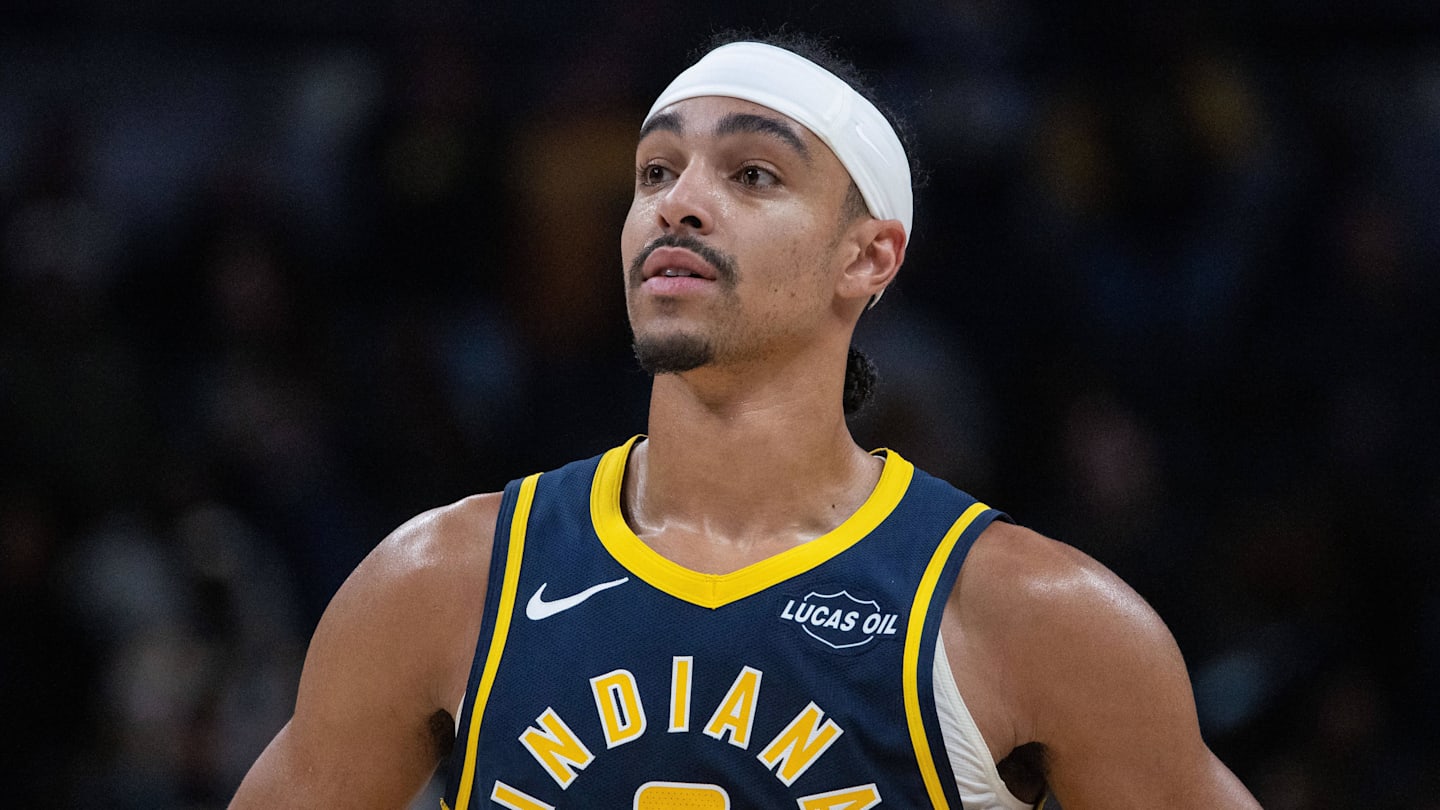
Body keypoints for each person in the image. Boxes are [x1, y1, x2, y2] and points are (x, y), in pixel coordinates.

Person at [231, 33, 1263, 809]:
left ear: (868, 258)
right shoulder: (446, 580)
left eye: (752, 174)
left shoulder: (1035, 614)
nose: (678, 202)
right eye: (655, 171)